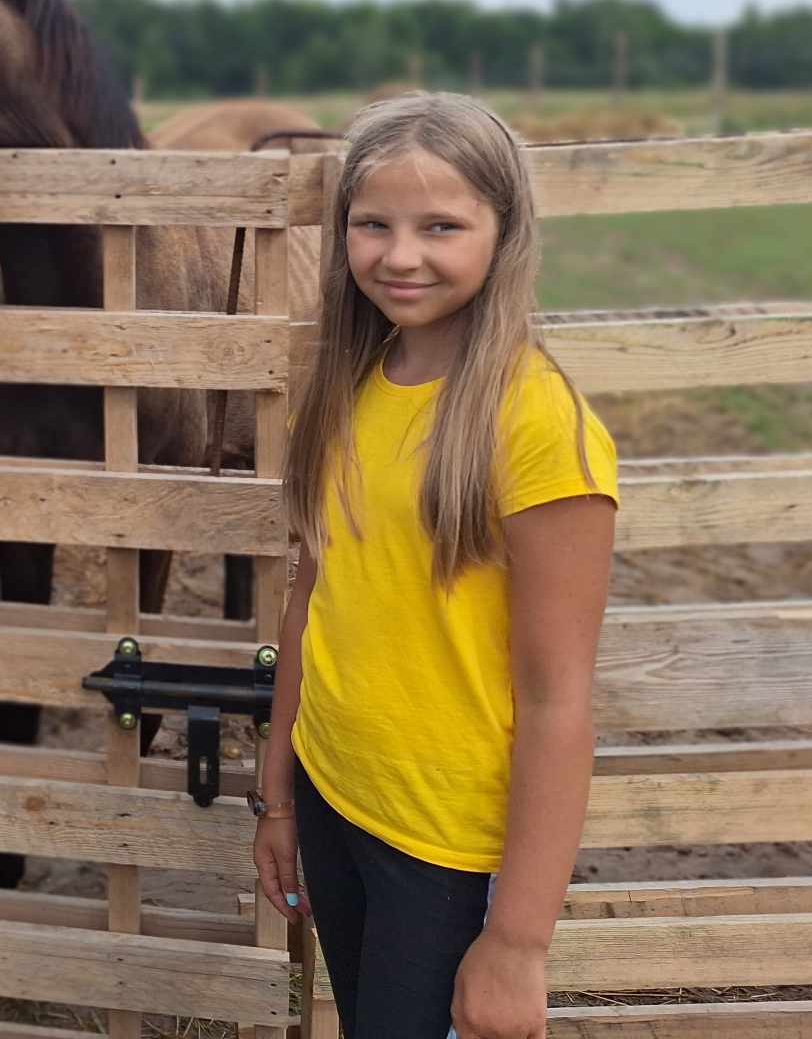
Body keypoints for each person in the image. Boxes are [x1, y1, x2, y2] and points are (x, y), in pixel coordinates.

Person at [250, 92, 618, 1039]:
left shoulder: (537, 428)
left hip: (446, 846)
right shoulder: (347, 388)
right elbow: (314, 598)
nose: (400, 255)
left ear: (505, 231)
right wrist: (281, 790)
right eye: (373, 224)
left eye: (441, 226)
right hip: (337, 796)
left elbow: (556, 699)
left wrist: (518, 943)